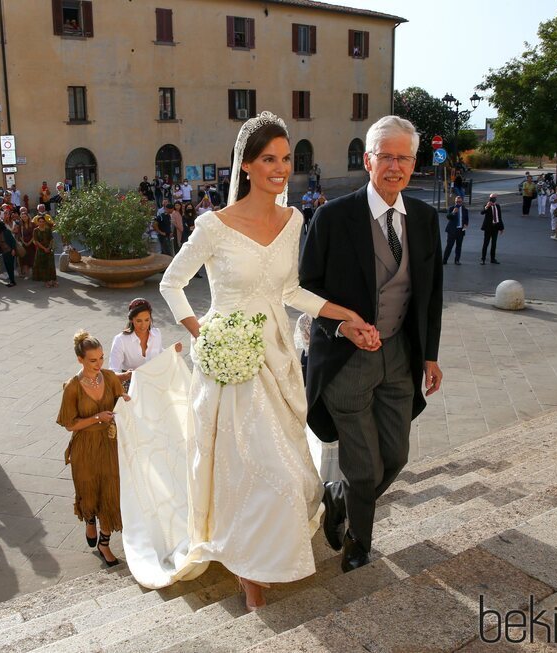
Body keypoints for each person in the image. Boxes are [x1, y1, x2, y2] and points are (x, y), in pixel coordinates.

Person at [122, 112, 376, 612]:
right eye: (269, 159)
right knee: (252, 470)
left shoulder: (293, 220)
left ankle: (260, 558)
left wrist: (345, 315)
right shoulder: (213, 226)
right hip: (229, 367)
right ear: (247, 165)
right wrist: (203, 334)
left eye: (286, 159)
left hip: (278, 356)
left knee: (286, 472)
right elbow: (171, 283)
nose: (280, 169)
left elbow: (290, 290)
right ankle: (252, 578)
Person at [300, 115, 443, 575]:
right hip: (347, 363)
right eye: (386, 156)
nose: (395, 166)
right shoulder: (333, 217)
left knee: (396, 456)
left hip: (400, 356)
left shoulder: (423, 218)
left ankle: (340, 496)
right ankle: (360, 543)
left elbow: (432, 291)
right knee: (363, 467)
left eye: (404, 157)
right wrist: (341, 328)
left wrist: (430, 355)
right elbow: (306, 288)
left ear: (414, 162)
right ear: (368, 160)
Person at [56, 331, 130, 567]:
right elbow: (70, 425)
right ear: (80, 360)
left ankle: (104, 543)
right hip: (85, 447)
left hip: (110, 444)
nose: (99, 364)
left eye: (101, 358)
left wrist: (129, 402)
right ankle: (89, 520)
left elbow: (123, 402)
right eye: (92, 360)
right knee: (88, 491)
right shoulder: (72, 387)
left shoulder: (109, 378)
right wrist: (97, 417)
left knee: (110, 492)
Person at [108, 297, 182, 387]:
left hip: (153, 379)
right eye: (139, 321)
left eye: (147, 320)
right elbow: (112, 373)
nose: (143, 325)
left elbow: (159, 355)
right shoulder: (120, 340)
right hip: (130, 383)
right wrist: (126, 375)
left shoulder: (156, 334)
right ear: (131, 320)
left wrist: (172, 350)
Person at [32, 210, 57, 287]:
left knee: (51, 266)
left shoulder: (48, 229)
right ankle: (46, 281)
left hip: (49, 250)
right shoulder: (35, 230)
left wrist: (49, 247)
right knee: (43, 266)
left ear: (45, 222)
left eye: (43, 221)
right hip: (41, 251)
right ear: (38, 222)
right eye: (40, 221)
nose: (41, 223)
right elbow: (36, 241)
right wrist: (44, 248)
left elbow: (51, 239)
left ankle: (53, 280)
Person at [443, 195, 469, 265]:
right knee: (449, 246)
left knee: (459, 246)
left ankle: (457, 260)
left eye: (460, 202)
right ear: (455, 202)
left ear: (462, 202)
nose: (458, 203)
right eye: (457, 202)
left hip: (460, 231)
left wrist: (466, 224)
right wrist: (453, 212)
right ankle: (444, 260)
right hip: (452, 231)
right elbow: (448, 217)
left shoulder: (465, 210)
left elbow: (466, 219)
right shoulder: (451, 208)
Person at [480, 193, 505, 264]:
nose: (493, 199)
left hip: (495, 227)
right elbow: (482, 212)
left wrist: (501, 228)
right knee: (486, 244)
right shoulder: (486, 205)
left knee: (494, 244)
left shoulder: (498, 206)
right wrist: (487, 207)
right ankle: (483, 259)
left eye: (494, 198)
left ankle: (492, 259)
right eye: (491, 198)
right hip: (488, 228)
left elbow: (499, 217)